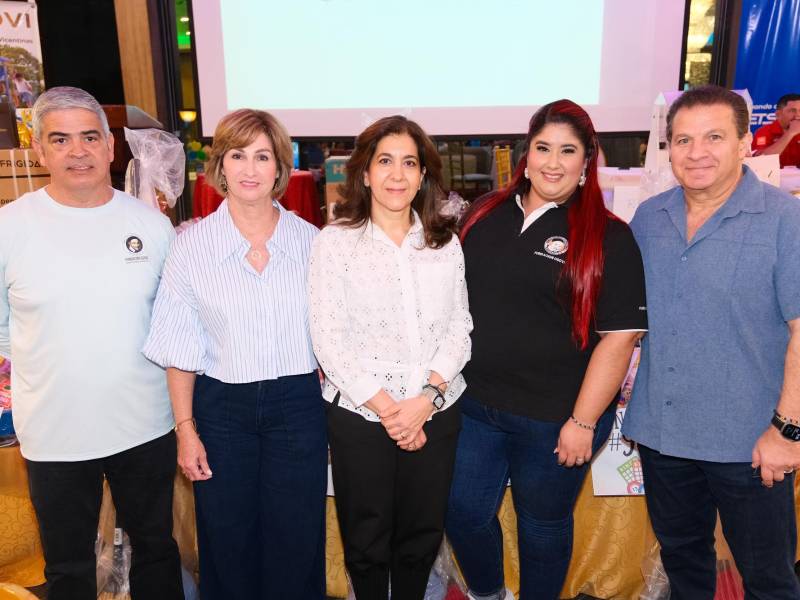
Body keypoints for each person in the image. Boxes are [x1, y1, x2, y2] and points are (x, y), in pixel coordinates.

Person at [445, 99, 647, 600]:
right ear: (526, 154)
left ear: (586, 162)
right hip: (475, 405)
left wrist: (581, 422)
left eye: (567, 151)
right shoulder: (484, 214)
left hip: (556, 417)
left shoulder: (609, 237)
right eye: (542, 148)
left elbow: (619, 339)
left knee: (542, 524)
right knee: (462, 512)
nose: (552, 162)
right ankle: (488, 594)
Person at [0, 86, 183, 599]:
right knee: (68, 568)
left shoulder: (152, 227)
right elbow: (2, 328)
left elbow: (173, 325)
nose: (76, 151)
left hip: (144, 425)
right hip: (55, 432)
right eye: (60, 139)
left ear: (110, 147)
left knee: (156, 551)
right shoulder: (9, 228)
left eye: (89, 138)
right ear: (39, 151)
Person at [623, 85, 800, 599]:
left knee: (768, 579)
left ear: (745, 143)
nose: (696, 152)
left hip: (750, 443)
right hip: (663, 436)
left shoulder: (784, 220)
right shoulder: (649, 219)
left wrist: (787, 431)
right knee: (685, 568)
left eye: (714, 137)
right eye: (683, 140)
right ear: (667, 148)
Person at [143, 108, 327, 600]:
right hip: (222, 411)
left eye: (262, 156)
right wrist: (186, 431)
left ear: (280, 167)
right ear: (220, 167)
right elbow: (180, 349)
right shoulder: (192, 247)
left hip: (298, 406)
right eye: (237, 155)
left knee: (297, 540)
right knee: (227, 542)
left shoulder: (315, 245)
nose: (249, 168)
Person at [308, 115, 472, 600]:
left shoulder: (444, 243)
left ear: (423, 174)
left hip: (435, 411)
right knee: (367, 537)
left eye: (408, 163)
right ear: (364, 173)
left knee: (421, 535)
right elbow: (328, 338)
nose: (397, 175)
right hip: (360, 415)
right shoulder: (335, 243)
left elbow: (460, 328)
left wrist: (425, 399)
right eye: (385, 162)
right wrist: (390, 411)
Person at [751, 93, 800, 167]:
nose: (798, 115)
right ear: (778, 114)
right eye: (792, 111)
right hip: (772, 177)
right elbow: (761, 160)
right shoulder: (764, 131)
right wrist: (790, 133)